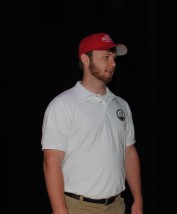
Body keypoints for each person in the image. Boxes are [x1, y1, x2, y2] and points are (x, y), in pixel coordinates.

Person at [41, 32, 143, 214]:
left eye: (113, 57)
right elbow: (52, 162)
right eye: (105, 57)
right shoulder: (63, 104)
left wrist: (138, 199)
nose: (113, 63)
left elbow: (129, 151)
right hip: (77, 207)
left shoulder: (121, 105)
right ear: (85, 60)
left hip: (117, 206)